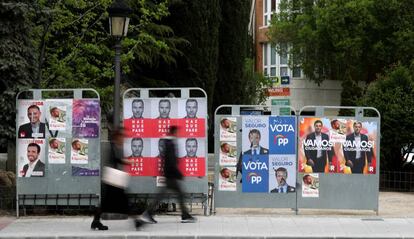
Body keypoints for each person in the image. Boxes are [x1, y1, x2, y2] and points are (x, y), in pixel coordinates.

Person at [137, 126, 196, 227]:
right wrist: (178, 174)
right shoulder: (171, 144)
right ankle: (148, 214)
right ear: (174, 132)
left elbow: (168, 160)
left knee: (172, 194)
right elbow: (171, 161)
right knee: (172, 195)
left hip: (169, 174)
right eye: (177, 132)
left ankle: (184, 215)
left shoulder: (168, 142)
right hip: (171, 175)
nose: (178, 134)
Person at [91, 128, 131, 230]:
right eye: (122, 137)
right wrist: (127, 162)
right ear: (118, 137)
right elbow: (117, 159)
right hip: (113, 179)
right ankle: (137, 221)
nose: (123, 139)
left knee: (108, 203)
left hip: (114, 178)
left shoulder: (116, 146)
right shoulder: (113, 146)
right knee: (123, 201)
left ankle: (95, 221)